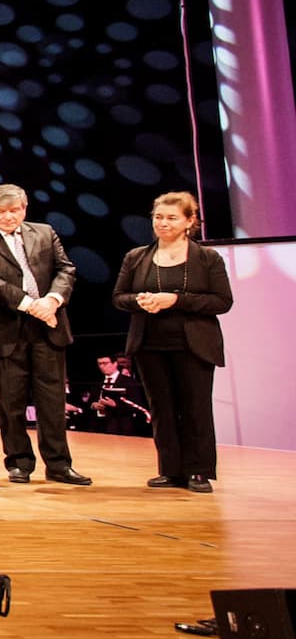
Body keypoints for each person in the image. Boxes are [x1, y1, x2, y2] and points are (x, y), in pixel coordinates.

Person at [0, 184, 92, 485]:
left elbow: (66, 270)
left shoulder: (45, 233)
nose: (9, 217)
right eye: (2, 212)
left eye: (14, 211)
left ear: (24, 209)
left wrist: (51, 301)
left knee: (52, 402)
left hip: (48, 326)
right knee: (10, 403)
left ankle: (59, 464)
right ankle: (19, 462)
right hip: (4, 330)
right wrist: (29, 304)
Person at [112, 191, 233, 493]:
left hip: (193, 344)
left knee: (196, 408)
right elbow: (119, 297)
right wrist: (141, 301)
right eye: (158, 217)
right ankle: (170, 469)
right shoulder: (137, 256)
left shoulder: (207, 258)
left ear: (190, 221)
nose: (163, 223)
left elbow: (222, 301)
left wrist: (175, 300)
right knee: (162, 409)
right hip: (150, 344)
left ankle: (199, 471)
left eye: (171, 218)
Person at [89, 353, 150, 435]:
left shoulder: (128, 382)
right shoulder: (96, 382)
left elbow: (138, 405)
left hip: (121, 426)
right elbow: (88, 402)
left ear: (115, 364)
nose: (102, 366)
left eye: (105, 363)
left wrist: (116, 405)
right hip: (99, 426)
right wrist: (93, 405)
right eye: (100, 364)